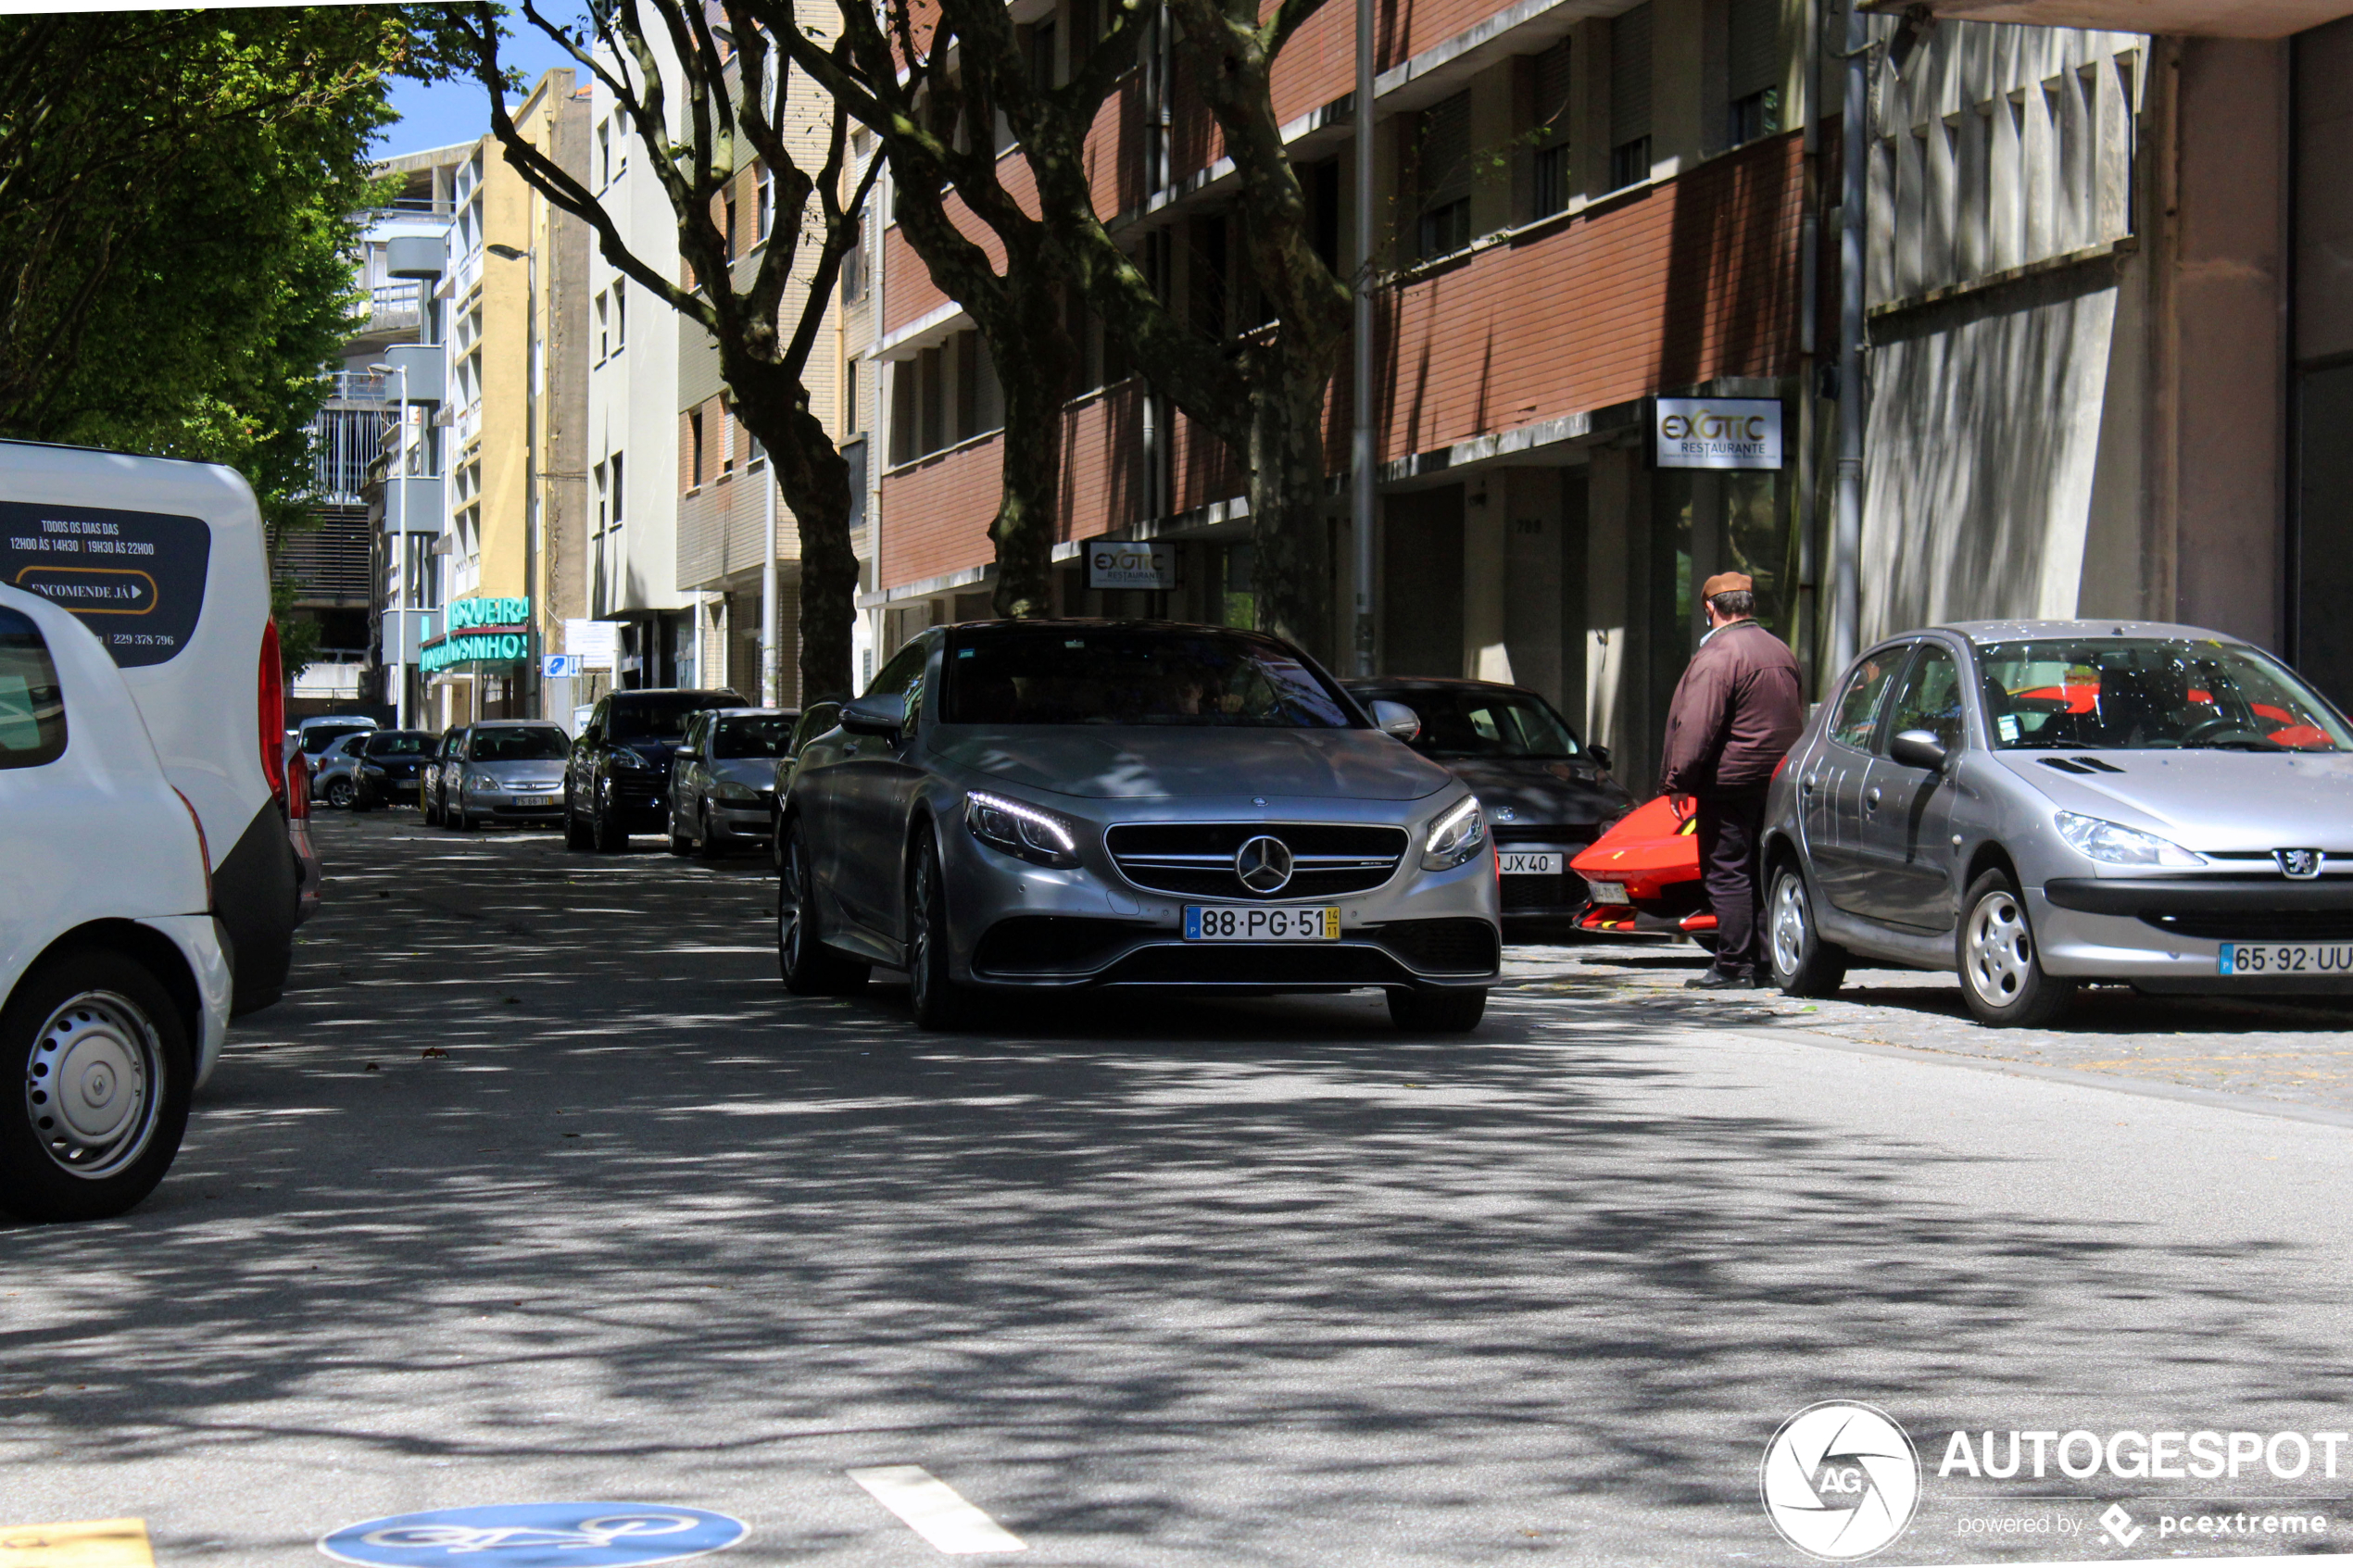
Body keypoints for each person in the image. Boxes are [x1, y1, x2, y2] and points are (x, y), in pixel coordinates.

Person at [1658, 572, 1806, 989]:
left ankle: (1733, 964)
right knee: (1760, 871)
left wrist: (1679, 779)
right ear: (1749, 605)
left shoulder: (1718, 655)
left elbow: (1696, 725)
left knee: (1726, 869)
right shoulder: (1780, 650)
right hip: (1775, 780)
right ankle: (1762, 960)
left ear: (1710, 608)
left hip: (1729, 781)